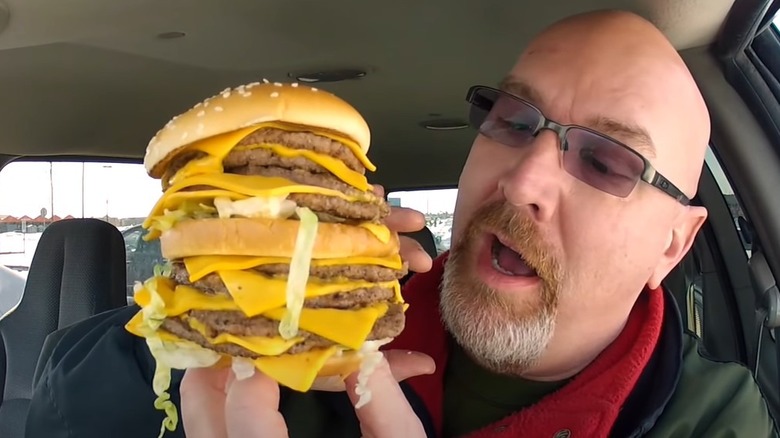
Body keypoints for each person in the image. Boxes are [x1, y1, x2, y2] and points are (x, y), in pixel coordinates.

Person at [25, 9, 778, 438]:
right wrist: (215, 316)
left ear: (674, 243)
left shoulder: (712, 417)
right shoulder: (296, 347)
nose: (524, 179)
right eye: (514, 120)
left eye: (609, 163)